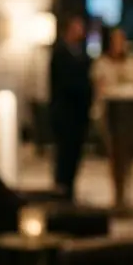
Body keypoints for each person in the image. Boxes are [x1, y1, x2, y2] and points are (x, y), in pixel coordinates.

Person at [91, 27, 133, 207]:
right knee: (114, 152)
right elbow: (101, 86)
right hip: (109, 113)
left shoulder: (132, 61)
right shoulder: (102, 63)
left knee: (126, 152)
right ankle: (117, 191)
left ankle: (125, 189)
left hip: (128, 112)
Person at [49, 15, 93, 201]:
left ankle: (70, 189)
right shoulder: (60, 54)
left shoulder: (82, 53)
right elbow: (62, 84)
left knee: (75, 154)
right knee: (64, 154)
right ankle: (61, 190)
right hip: (65, 112)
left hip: (79, 113)